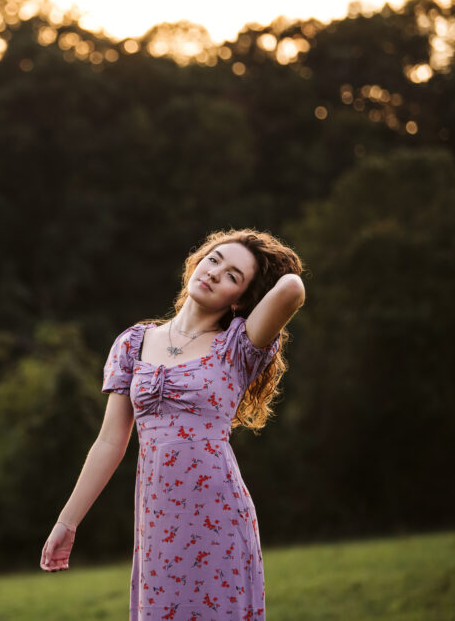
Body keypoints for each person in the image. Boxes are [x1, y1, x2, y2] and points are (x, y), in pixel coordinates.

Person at [39, 229, 305, 621]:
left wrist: (256, 253)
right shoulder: (133, 343)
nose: (215, 273)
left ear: (243, 298)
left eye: (233, 276)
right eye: (214, 259)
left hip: (220, 513)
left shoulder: (238, 345)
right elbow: (110, 442)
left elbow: (292, 287)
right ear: (197, 260)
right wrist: (68, 521)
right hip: (159, 519)